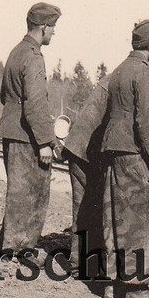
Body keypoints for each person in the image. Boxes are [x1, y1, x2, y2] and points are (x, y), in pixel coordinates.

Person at [101, 19, 149, 298]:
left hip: (114, 151)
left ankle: (112, 284)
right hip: (134, 153)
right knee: (138, 221)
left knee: (114, 217)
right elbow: (147, 122)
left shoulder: (119, 70)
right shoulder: (145, 74)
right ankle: (137, 289)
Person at [0, 2, 61, 262]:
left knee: (18, 190)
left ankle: (8, 243)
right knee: (33, 192)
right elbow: (35, 104)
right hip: (28, 136)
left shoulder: (16, 52)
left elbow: (4, 95)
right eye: (53, 27)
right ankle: (21, 249)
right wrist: (46, 142)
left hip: (14, 130)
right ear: (44, 27)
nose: (54, 32)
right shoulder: (33, 57)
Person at [61, 74, 111, 281]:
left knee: (84, 208)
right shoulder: (129, 81)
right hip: (86, 152)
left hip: (80, 148)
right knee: (87, 208)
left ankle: (81, 264)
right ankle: (81, 265)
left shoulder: (114, 78)